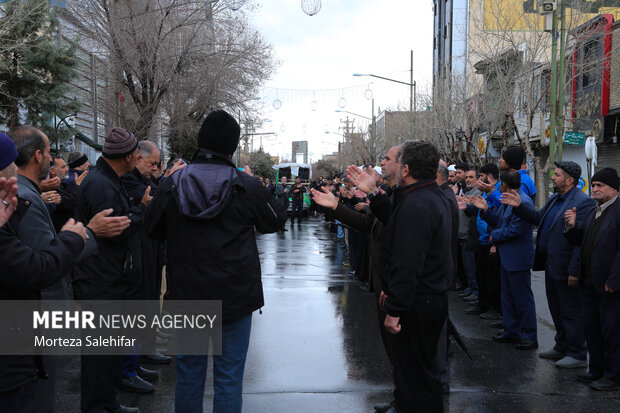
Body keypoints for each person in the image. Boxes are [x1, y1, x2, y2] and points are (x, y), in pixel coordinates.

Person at [145, 110, 287, 413]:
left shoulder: (172, 184)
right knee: (228, 381)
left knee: (189, 378)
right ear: (232, 148)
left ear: (200, 142)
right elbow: (274, 220)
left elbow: (151, 227)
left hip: (187, 296)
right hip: (234, 298)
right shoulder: (245, 185)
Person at [74, 127, 147, 413]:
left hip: (110, 280)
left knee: (109, 354)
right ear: (128, 156)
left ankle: (108, 402)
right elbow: (116, 229)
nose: (139, 157)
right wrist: (140, 211)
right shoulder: (101, 184)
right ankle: (98, 406)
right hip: (101, 283)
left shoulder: (109, 179)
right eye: (136, 153)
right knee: (99, 357)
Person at [379, 141, 453, 413]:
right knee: (421, 377)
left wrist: (395, 309)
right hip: (426, 299)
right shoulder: (425, 196)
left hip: (418, 304)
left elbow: (409, 262)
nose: (393, 167)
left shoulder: (419, 204)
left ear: (406, 168)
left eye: (397, 161)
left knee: (416, 380)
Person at [501, 161, 595, 368]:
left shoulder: (583, 202)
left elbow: (581, 240)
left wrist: (574, 270)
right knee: (557, 309)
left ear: (570, 180)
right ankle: (561, 346)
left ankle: (577, 353)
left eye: (557, 175)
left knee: (571, 311)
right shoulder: (555, 198)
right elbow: (537, 218)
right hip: (552, 264)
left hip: (566, 266)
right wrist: (519, 207)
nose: (552, 177)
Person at [564, 167, 620, 391]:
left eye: (600, 186)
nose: (595, 189)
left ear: (614, 189)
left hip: (609, 286)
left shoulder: (617, 211)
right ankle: (596, 370)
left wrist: (614, 280)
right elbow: (582, 242)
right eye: (594, 185)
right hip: (589, 282)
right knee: (593, 329)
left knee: (612, 332)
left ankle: (614, 376)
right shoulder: (593, 211)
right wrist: (571, 226)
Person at [470, 171, 537, 350]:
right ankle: (511, 331)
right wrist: (484, 209)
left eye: (501, 185)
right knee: (507, 297)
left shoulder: (523, 201)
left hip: (518, 258)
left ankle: (529, 335)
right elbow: (498, 220)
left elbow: (517, 230)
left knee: (522, 299)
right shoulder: (508, 199)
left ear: (505, 185)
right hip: (507, 257)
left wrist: (494, 237)